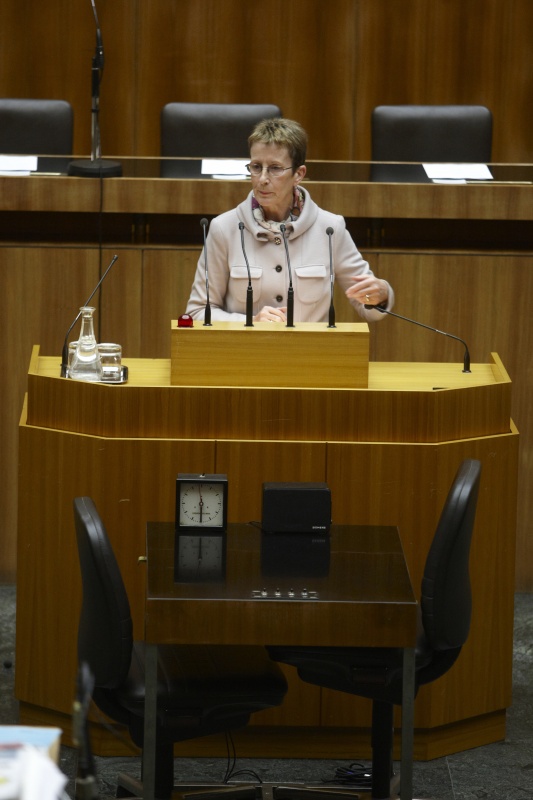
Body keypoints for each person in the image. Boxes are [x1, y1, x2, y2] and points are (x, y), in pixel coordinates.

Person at [186, 118, 394, 323]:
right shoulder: (224, 228)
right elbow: (198, 312)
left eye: (275, 168)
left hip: (309, 354)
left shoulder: (330, 229)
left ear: (298, 174)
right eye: (256, 167)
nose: (262, 179)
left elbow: (369, 305)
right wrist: (250, 321)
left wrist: (381, 295)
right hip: (248, 354)